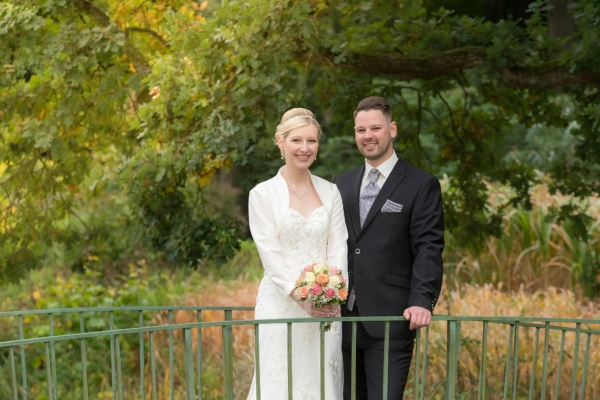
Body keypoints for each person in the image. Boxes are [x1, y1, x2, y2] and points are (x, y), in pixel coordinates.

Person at [333, 96, 444, 399]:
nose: (367, 136)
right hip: (342, 321)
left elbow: (428, 247)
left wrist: (422, 299)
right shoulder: (339, 183)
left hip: (390, 320)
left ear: (392, 129)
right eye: (360, 130)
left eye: (375, 128)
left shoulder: (421, 184)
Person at [246, 108, 348, 399]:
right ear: (280, 142)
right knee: (278, 381)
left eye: (312, 141)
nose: (305, 149)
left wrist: (335, 292)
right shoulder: (262, 194)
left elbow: (338, 246)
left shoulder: (331, 192)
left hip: (325, 306)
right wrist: (299, 296)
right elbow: (270, 254)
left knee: (321, 380)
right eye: (297, 141)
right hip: (280, 303)